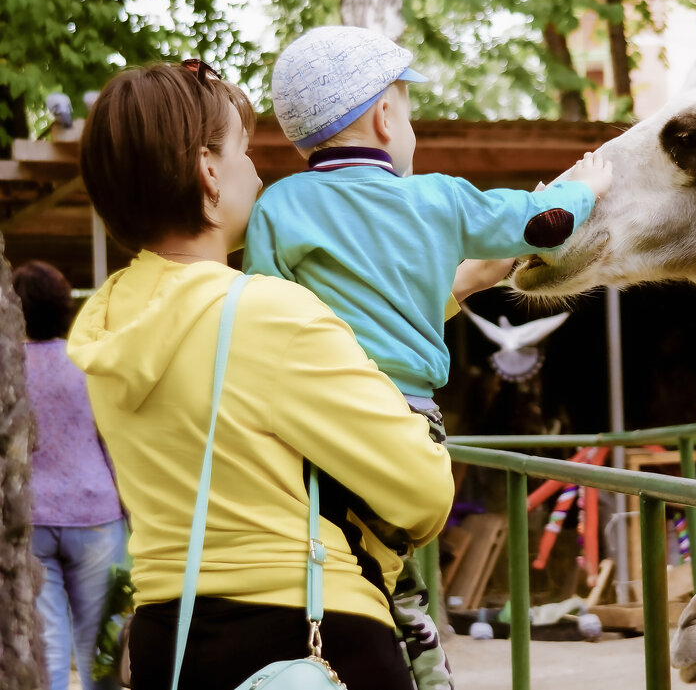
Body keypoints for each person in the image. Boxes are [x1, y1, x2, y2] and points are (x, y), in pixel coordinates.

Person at [242, 26, 612, 689]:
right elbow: (544, 226)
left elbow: (265, 319)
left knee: (358, 574)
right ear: (386, 116)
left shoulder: (279, 206)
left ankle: (395, 649)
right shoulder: (438, 198)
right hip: (407, 425)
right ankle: (423, 664)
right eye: (407, 109)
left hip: (318, 429)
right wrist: (584, 187)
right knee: (391, 572)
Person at [68, 59, 453, 690]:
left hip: (170, 640)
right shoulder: (268, 313)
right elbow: (422, 492)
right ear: (208, 170)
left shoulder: (109, 319)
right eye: (244, 151)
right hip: (312, 639)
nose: (259, 171)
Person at [14, 259, 127, 690]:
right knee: (101, 648)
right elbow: (112, 441)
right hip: (97, 514)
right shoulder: (87, 363)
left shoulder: (8, 371)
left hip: (29, 520)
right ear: (66, 308)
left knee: (48, 651)